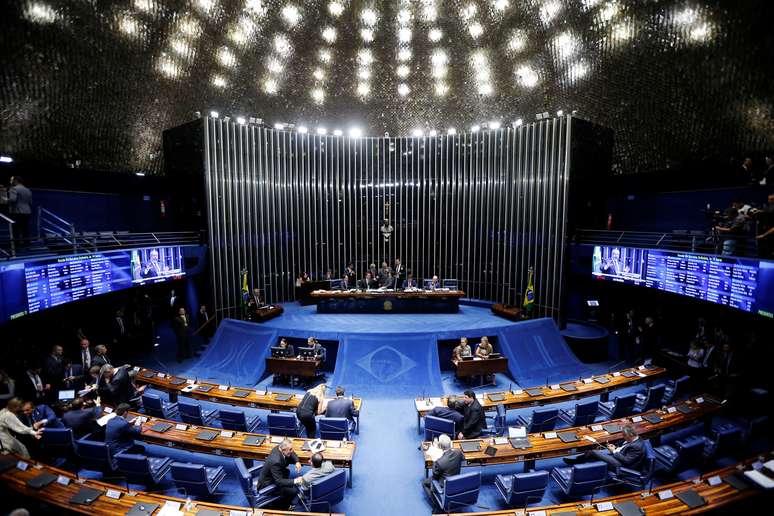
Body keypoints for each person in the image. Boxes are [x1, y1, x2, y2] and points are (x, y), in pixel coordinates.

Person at [564, 425, 645, 473]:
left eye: (624, 435)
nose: (623, 437)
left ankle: (577, 462)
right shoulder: (632, 438)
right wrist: (614, 447)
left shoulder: (637, 446)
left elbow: (627, 461)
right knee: (594, 454)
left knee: (593, 452)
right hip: (619, 455)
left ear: (630, 435)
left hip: (621, 465)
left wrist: (614, 451)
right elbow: (623, 446)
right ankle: (580, 463)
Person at [421, 434, 464, 508]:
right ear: (450, 444)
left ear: (440, 446)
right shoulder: (459, 452)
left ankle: (436, 504)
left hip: (443, 484)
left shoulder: (439, 462)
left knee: (424, 483)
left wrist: (435, 460)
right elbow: (462, 458)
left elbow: (435, 476)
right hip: (455, 481)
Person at [259, 438, 302, 509]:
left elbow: (292, 453)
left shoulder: (279, 447)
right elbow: (278, 481)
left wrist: (297, 461)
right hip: (268, 484)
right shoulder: (276, 461)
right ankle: (284, 506)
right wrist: (295, 481)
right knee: (294, 491)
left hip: (275, 474)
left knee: (287, 472)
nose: (292, 451)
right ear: (283, 450)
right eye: (290, 449)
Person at [7, 176, 32, 246]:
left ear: (16, 181)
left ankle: (16, 245)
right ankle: (27, 244)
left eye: (11, 180)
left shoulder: (13, 189)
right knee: (25, 229)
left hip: (17, 212)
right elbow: (30, 202)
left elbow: (12, 200)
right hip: (27, 212)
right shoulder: (28, 190)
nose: (10, 182)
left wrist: (5, 199)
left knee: (15, 230)